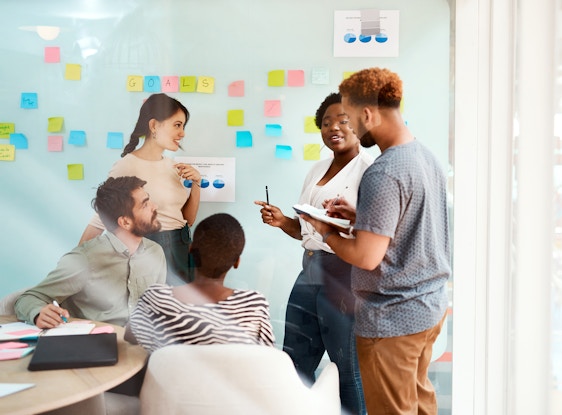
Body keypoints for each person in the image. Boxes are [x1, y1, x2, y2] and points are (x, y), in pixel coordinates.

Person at [300, 68, 451, 415]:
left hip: (392, 320)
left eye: (351, 119)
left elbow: (366, 257)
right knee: (419, 404)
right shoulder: (423, 156)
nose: (350, 127)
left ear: (367, 114)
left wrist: (324, 230)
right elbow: (410, 223)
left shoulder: (383, 171)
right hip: (427, 309)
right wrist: (360, 216)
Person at [254, 92, 373, 415]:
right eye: (326, 122)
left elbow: (370, 232)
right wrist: (283, 222)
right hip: (310, 269)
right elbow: (308, 232)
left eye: (343, 121)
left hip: (344, 273)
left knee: (346, 368)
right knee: (294, 363)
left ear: (359, 125)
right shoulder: (317, 169)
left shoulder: (369, 170)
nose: (333, 127)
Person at [79, 93, 201, 285]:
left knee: (184, 311)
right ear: (154, 125)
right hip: (152, 249)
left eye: (183, 126)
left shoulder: (173, 166)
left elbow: (187, 219)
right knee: (156, 311)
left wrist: (196, 185)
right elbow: (101, 218)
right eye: (177, 125)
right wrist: (76, 263)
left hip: (182, 248)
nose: (182, 133)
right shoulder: (127, 165)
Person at [15, 176, 166, 328]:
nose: (155, 206)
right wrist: (38, 312)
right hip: (97, 344)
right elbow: (28, 298)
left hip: (144, 341)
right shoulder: (84, 259)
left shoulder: (155, 252)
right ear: (125, 222)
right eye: (145, 205)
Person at [125, 213, 275, 352]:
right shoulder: (253, 306)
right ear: (237, 262)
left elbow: (130, 338)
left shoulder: (155, 298)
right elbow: (266, 357)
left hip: (169, 380)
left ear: (190, 251)